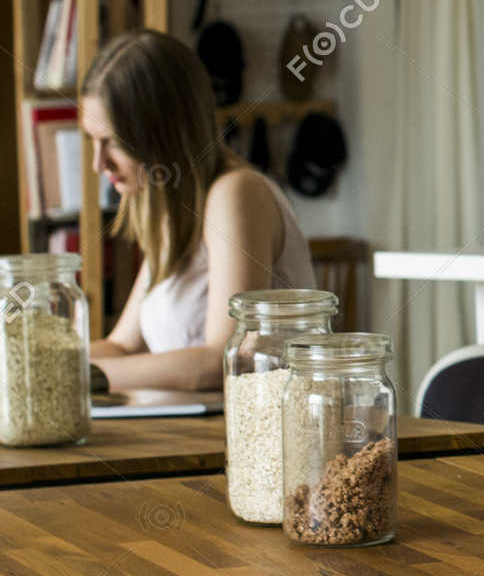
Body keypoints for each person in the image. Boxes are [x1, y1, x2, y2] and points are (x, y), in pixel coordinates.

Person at [80, 30, 316, 392]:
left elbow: (219, 361)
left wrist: (72, 376)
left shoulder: (236, 193)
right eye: (92, 141)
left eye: (112, 142)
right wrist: (38, 364)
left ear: (161, 132)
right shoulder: (170, 213)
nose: (99, 164)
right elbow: (123, 346)